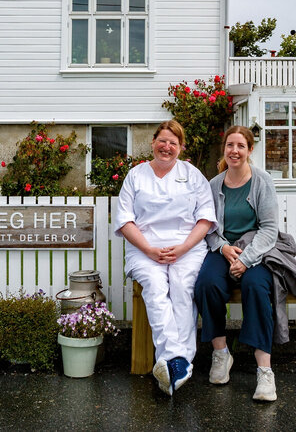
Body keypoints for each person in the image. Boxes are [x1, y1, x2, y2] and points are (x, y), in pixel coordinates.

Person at [114, 119, 216, 396]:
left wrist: (182, 248)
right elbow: (125, 220)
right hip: (145, 250)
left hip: (188, 249)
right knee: (156, 289)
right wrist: (148, 249)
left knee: (183, 288)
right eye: (162, 141)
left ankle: (175, 362)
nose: (166, 147)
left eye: (173, 142)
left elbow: (205, 219)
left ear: (181, 147)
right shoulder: (136, 176)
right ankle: (176, 360)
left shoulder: (193, 175)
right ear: (153, 143)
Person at [194, 125, 280, 402]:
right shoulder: (214, 184)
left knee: (256, 288)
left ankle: (264, 370)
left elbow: (269, 229)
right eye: (230, 145)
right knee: (206, 284)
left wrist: (246, 258)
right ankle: (221, 353)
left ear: (250, 150)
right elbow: (208, 227)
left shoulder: (262, 181)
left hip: (256, 252)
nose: (235, 151)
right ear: (224, 149)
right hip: (223, 250)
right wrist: (223, 248)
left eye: (241, 146)